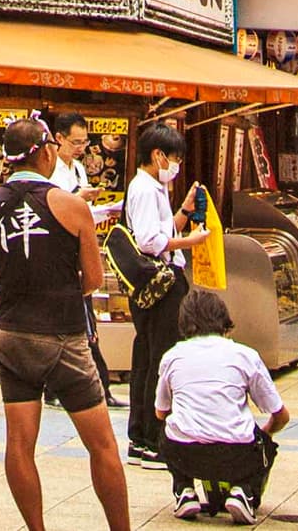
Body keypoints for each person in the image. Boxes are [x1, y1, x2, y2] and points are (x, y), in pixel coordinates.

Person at [0, 118, 131, 531]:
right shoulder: (71, 205)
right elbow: (95, 279)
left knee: (19, 443)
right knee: (101, 444)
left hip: (12, 333)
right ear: (47, 152)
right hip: (64, 335)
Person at [122, 124, 215, 463]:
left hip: (157, 282)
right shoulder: (145, 189)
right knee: (157, 359)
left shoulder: (151, 186)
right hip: (159, 285)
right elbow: (150, 242)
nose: (176, 166)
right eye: (174, 158)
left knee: (150, 356)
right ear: (158, 155)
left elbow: (163, 229)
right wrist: (190, 242)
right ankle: (148, 437)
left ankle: (143, 435)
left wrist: (186, 211)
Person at [154, 287, 287, 524]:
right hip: (236, 453)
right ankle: (244, 490)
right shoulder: (245, 355)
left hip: (183, 451)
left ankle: (184, 489)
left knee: (165, 430)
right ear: (223, 320)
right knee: (264, 445)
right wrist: (264, 434)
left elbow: (160, 411)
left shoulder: (172, 356)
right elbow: (280, 414)